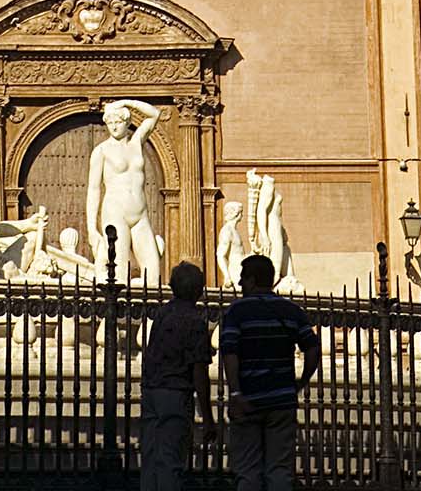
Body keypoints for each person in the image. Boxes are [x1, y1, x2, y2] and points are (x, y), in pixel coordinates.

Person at [219, 254, 320, 491]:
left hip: (248, 398)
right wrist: (301, 382)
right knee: (280, 471)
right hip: (281, 399)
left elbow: (230, 353)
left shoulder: (237, 311)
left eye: (243, 278)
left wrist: (235, 392)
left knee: (248, 471)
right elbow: (312, 348)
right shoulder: (291, 310)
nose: (240, 283)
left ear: (253, 280)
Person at [139, 260, 216, 491]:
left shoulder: (162, 314)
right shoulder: (195, 320)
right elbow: (199, 370)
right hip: (176, 392)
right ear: (198, 290)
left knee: (151, 458)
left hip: (152, 389)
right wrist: (207, 416)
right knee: (170, 459)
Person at [86, 96, 162, 283]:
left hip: (140, 214)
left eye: (118, 122)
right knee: (119, 272)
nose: (113, 127)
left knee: (152, 272)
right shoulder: (102, 151)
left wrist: (126, 103)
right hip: (115, 213)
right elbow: (94, 189)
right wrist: (91, 228)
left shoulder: (136, 142)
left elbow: (154, 114)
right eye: (110, 122)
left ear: (127, 122)